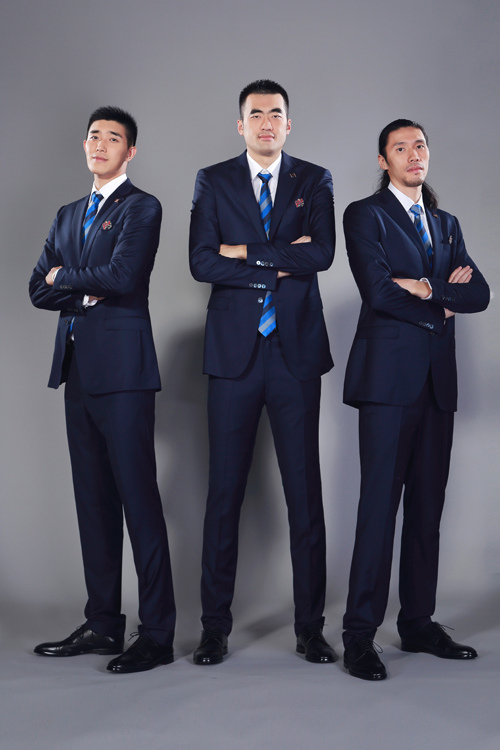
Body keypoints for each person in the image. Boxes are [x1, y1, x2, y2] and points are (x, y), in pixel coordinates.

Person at [189, 79, 336, 665]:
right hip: (234, 355)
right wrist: (279, 260)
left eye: (276, 113)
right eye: (256, 114)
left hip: (295, 354)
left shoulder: (315, 179)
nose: (267, 122)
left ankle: (310, 628)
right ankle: (214, 628)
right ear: (241, 125)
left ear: (288, 124)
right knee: (223, 495)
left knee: (305, 495)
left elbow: (321, 254)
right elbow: (201, 261)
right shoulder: (213, 179)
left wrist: (244, 252)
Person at [341, 118, 490, 680]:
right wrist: (442, 304)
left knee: (427, 511)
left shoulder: (446, 224)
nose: (413, 155)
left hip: (436, 385)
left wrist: (426, 288)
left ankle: (418, 624)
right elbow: (379, 293)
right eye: (400, 148)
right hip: (387, 384)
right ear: (384, 161)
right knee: (379, 510)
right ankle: (359, 635)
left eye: (420, 145)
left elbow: (480, 292)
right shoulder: (366, 215)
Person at [29, 106, 176, 674]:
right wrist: (79, 289)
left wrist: (64, 278)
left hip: (125, 375)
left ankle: (157, 633)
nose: (100, 144)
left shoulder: (142, 206)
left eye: (113, 138)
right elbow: (34, 289)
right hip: (78, 373)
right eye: (93, 136)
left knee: (138, 500)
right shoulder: (68, 214)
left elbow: (122, 277)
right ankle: (103, 624)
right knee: (92, 502)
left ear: (129, 151)